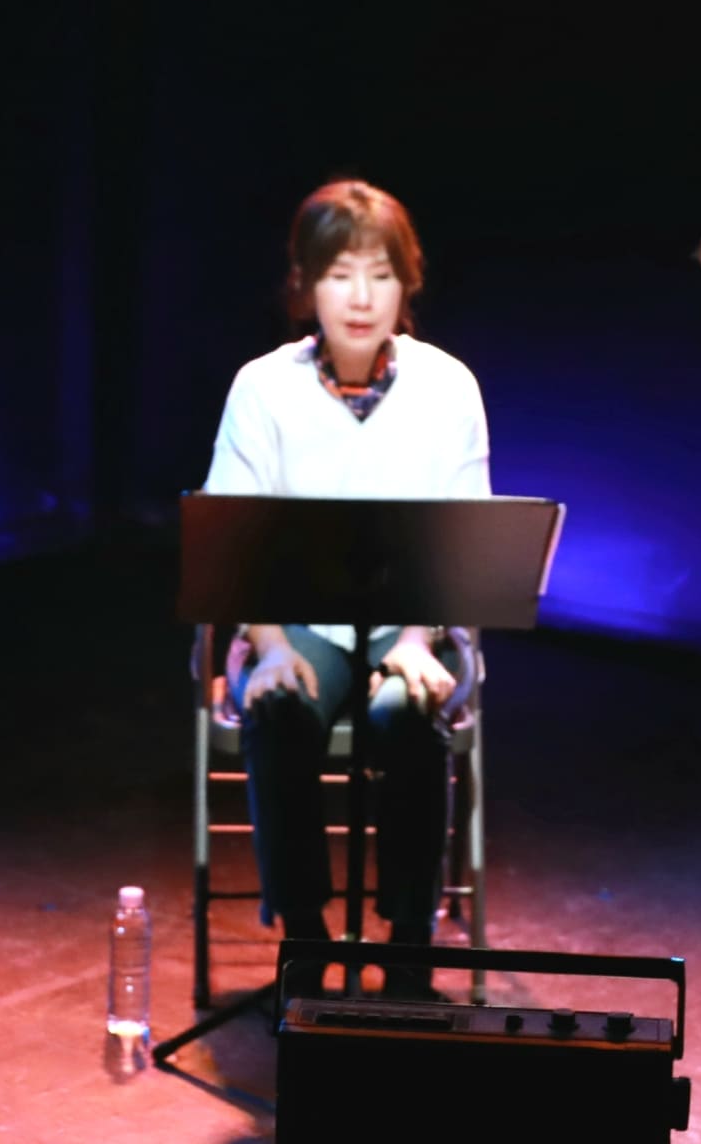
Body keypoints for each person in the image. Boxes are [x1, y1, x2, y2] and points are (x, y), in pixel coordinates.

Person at [204, 180, 490, 992]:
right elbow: (232, 533)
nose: (360, 298)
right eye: (339, 274)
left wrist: (417, 639)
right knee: (281, 706)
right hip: (295, 623)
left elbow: (466, 535)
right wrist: (265, 647)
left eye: (379, 274)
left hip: (417, 624)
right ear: (305, 283)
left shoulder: (448, 386)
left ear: (406, 283)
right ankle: (304, 934)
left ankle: (408, 940)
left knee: (406, 711)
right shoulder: (262, 386)